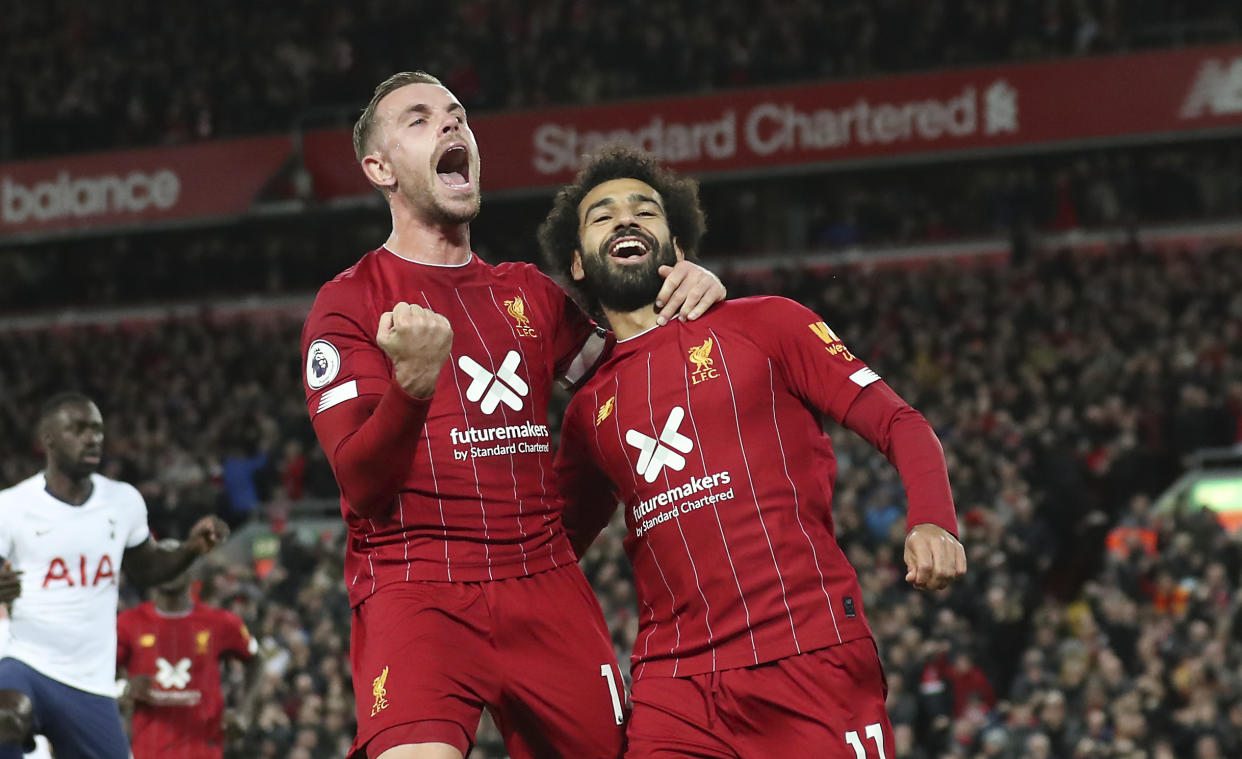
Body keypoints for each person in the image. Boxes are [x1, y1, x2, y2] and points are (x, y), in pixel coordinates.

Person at [301, 71, 725, 759]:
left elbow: (636, 374)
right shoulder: (349, 304)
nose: (449, 125)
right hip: (417, 586)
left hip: (544, 584)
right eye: (418, 119)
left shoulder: (527, 291)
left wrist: (693, 290)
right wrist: (412, 386)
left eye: (457, 114)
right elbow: (361, 483)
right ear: (378, 168)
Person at [539, 145, 967, 759]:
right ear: (577, 264)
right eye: (602, 215)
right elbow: (551, 546)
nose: (626, 219)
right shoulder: (586, 413)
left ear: (678, 248)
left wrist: (932, 519)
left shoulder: (768, 323)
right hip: (673, 688)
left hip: (807, 653)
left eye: (645, 210)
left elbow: (900, 422)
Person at [0, 392, 229, 759]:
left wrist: (190, 550)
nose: (93, 438)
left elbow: (147, 568)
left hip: (91, 682)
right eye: (78, 429)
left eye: (97, 430)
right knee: (5, 716)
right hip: (28, 663)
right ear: (48, 439)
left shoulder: (123, 501)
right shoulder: (12, 505)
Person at [116, 568, 263, 759]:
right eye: (164, 563)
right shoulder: (129, 622)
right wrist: (124, 688)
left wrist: (244, 712)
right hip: (147, 751)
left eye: (179, 560)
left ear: (193, 572)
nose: (171, 567)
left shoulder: (220, 622)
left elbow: (257, 660)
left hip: (203, 750)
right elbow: (95, 678)